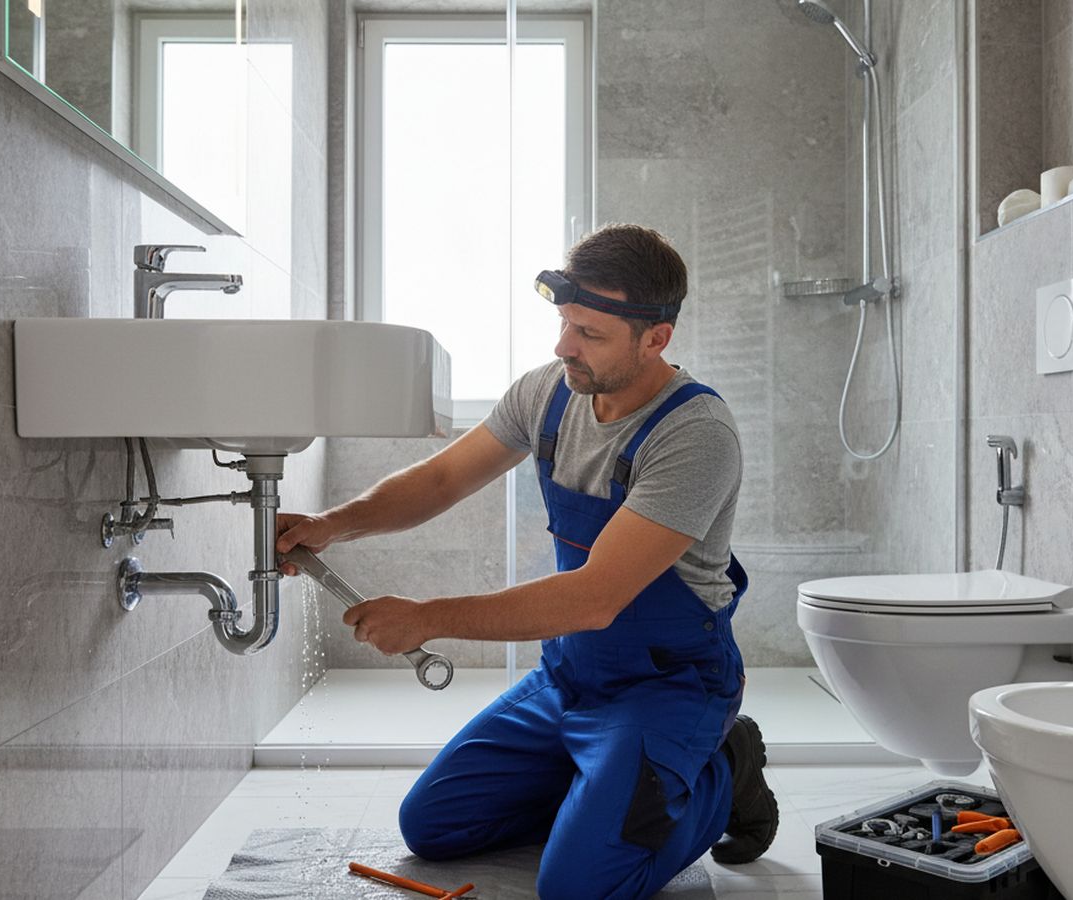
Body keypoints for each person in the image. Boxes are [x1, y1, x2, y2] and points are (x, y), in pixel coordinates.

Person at [276, 223, 778, 898]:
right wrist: (332, 525)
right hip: (571, 675)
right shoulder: (548, 392)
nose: (563, 346)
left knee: (576, 887)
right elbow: (440, 481)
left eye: (590, 334)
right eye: (565, 323)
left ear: (656, 338)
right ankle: (604, 793)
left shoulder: (695, 434)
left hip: (667, 686)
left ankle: (722, 771)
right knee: (433, 827)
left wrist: (426, 618)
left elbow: (595, 597)